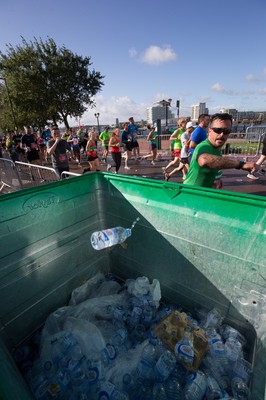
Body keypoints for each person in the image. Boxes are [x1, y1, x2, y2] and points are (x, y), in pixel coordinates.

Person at [184, 113, 259, 189]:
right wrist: (241, 164)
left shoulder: (217, 150)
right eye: (218, 130)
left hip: (204, 194)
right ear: (210, 131)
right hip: (191, 193)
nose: (222, 134)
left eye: (226, 131)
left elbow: (214, 166)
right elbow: (204, 160)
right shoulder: (204, 146)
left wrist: (216, 179)